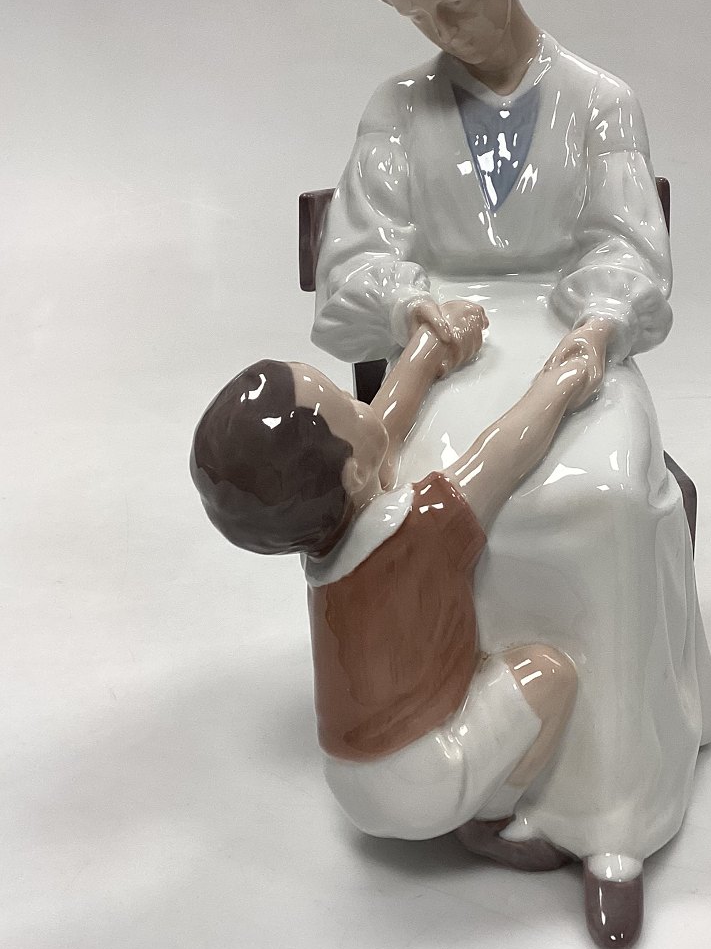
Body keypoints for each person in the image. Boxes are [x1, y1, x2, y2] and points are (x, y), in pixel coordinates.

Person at [310, 0, 711, 949]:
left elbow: (630, 248)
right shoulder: (396, 111)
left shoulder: (599, 103)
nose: (443, 29)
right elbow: (355, 261)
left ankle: (612, 812)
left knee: (600, 499)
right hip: (447, 350)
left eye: (458, 0)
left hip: (571, 337)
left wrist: (599, 324)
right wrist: (411, 301)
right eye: (417, 15)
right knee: (417, 506)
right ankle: (473, 757)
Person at [190, 303, 605, 869]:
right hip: (422, 779)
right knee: (548, 677)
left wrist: (429, 348)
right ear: (354, 474)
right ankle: (489, 819)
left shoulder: (322, 539)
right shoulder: (419, 529)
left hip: (349, 780)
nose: (362, 404)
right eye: (345, 402)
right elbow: (501, 452)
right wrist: (563, 382)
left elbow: (374, 435)